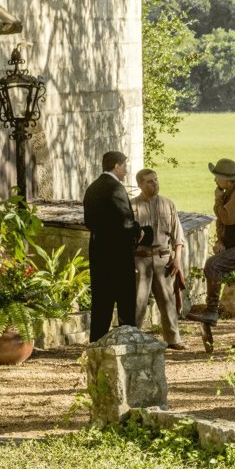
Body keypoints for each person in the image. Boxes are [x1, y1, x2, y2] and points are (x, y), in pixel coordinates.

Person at [185, 159, 235, 352]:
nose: (215, 181)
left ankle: (212, 311)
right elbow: (223, 222)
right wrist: (221, 241)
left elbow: (227, 216)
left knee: (213, 265)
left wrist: (218, 199)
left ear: (226, 180)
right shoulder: (232, 192)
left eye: (217, 177)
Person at [82, 150, 145, 342]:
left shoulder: (92, 188)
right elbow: (124, 222)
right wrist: (138, 231)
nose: (126, 171)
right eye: (124, 166)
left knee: (101, 301)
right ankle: (127, 341)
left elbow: (88, 221)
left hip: (98, 251)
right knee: (125, 300)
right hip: (117, 254)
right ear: (116, 166)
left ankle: (97, 342)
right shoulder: (115, 189)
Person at [131, 169, 187, 350]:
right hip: (140, 259)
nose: (155, 183)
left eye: (156, 179)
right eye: (149, 181)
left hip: (164, 259)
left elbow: (177, 235)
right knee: (138, 301)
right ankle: (132, 338)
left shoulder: (167, 204)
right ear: (140, 185)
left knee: (167, 299)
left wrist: (177, 259)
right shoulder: (131, 206)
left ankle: (173, 338)